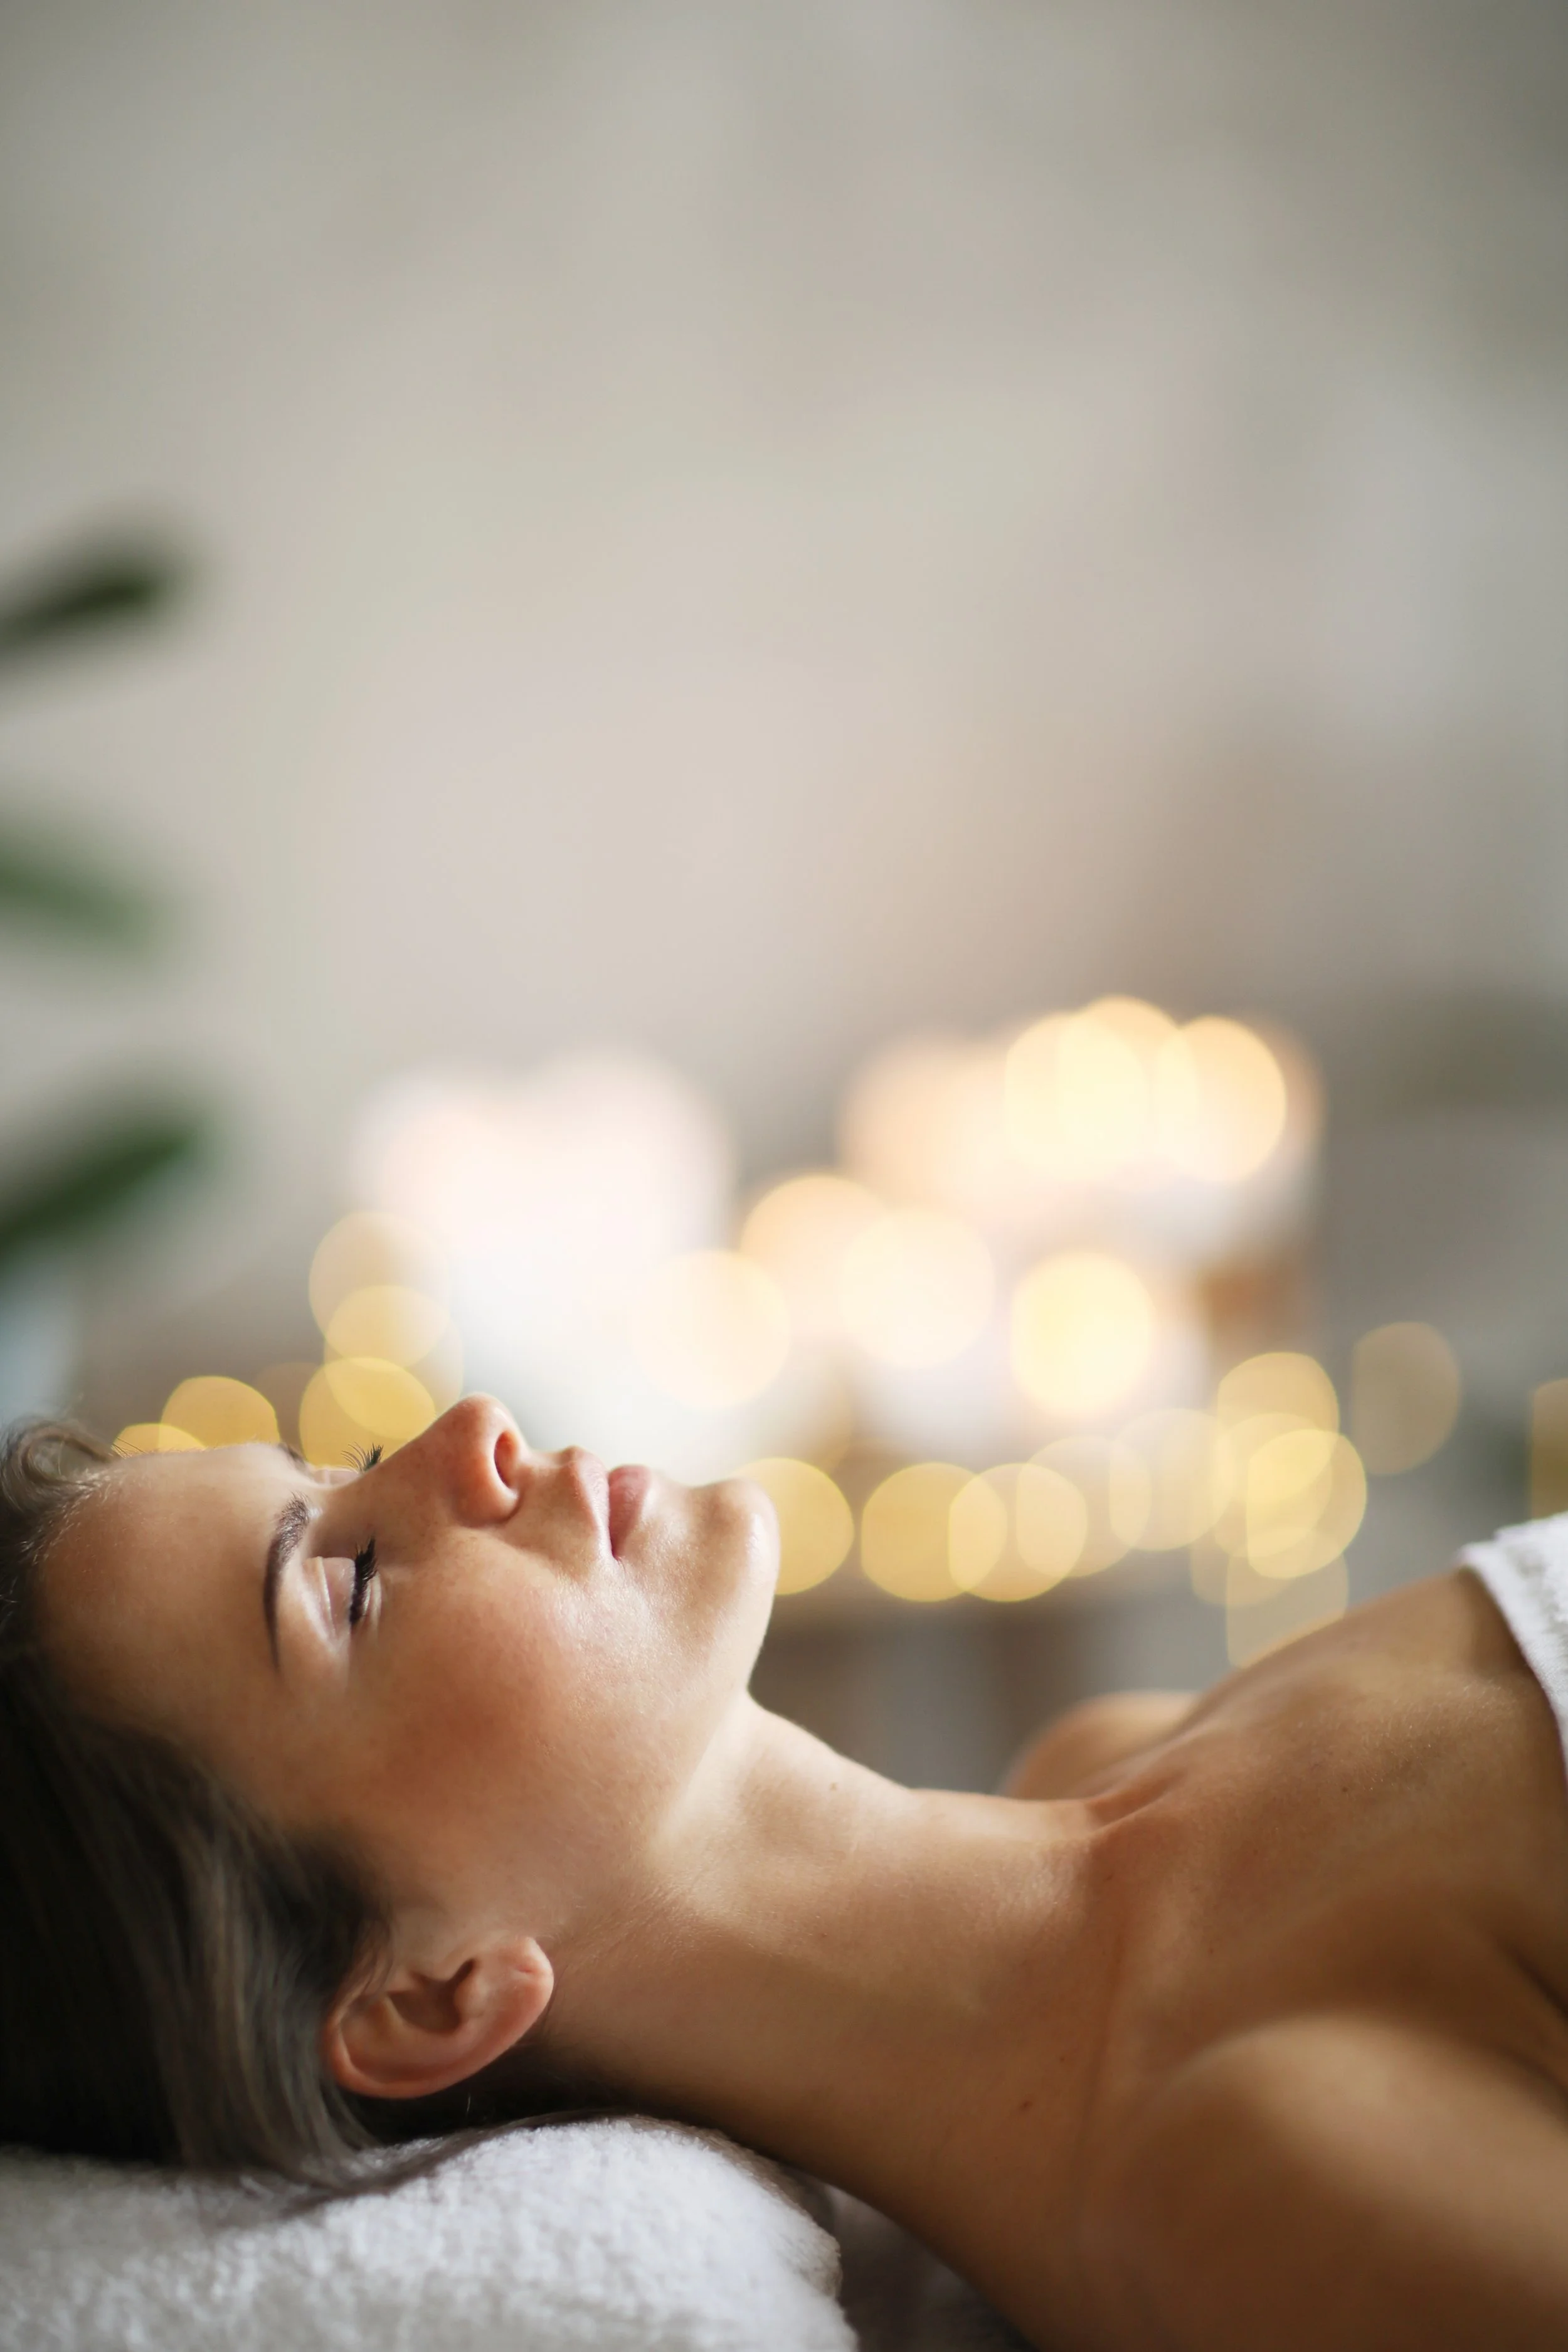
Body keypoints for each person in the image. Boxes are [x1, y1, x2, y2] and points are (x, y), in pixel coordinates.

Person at [4, 1397, 1568, 2351]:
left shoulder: (1110, 1751)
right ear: (429, 1995)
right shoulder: (1250, 2176)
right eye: (346, 1581)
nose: (465, 1433)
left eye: (343, 1462)